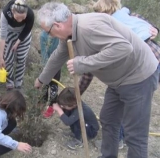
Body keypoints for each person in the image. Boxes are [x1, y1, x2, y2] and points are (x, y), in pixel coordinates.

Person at [35, 2, 158, 158]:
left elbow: (123, 47)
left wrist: (82, 63)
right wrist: (41, 80)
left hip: (138, 77)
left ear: (58, 26)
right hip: (117, 81)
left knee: (135, 133)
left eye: (49, 32)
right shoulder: (70, 33)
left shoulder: (90, 28)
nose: (50, 35)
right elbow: (57, 56)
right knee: (108, 119)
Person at [93, 0, 160, 149]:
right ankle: (118, 140)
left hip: (146, 67)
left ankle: (120, 140)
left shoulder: (112, 25)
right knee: (119, 108)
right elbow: (143, 25)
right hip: (150, 59)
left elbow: (149, 28)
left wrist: (155, 29)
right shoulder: (127, 15)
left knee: (131, 112)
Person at [0, 0, 34, 91]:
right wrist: (0, 57)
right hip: (9, 33)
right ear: (13, 11)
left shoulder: (30, 14)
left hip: (23, 35)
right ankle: (9, 83)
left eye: (22, 18)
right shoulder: (6, 13)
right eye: (18, 18)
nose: (20, 20)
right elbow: (2, 36)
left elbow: (27, 30)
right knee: (8, 59)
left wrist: (17, 43)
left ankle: (18, 83)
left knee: (21, 58)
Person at [39, 31, 60, 118]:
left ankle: (52, 106)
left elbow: (60, 51)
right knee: (44, 86)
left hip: (57, 65)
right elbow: (44, 53)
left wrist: (55, 66)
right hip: (45, 66)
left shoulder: (59, 35)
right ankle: (42, 105)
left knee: (54, 87)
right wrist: (47, 68)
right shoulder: (43, 36)